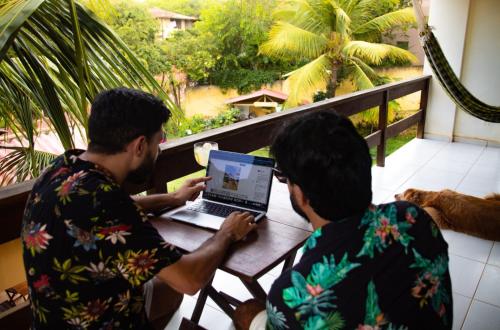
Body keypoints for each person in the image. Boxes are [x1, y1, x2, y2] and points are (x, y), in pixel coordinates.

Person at [21, 88, 257, 329]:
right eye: (159, 141)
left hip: (51, 318)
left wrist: (172, 198)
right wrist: (227, 232)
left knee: (166, 285)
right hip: (100, 321)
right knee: (179, 282)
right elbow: (189, 280)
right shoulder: (108, 203)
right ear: (140, 146)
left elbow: (107, 210)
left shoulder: (62, 167)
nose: (159, 150)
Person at [234, 112, 452, 329]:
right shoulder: (414, 217)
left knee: (246, 312)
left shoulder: (295, 294)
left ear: (301, 195)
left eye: (285, 178)